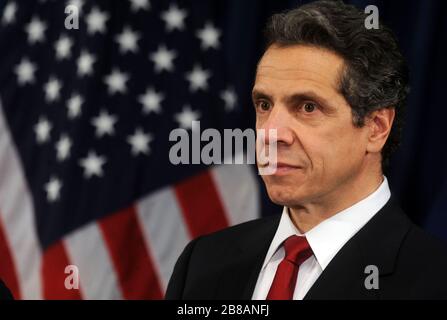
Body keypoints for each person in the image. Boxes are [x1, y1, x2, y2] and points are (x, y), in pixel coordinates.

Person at [165, 0, 447, 299]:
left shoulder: (435, 280)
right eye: (264, 105)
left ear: (376, 127)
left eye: (308, 107)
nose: (272, 134)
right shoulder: (202, 263)